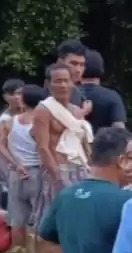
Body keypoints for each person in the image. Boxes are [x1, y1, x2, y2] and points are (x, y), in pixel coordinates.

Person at [0, 84, 47, 253]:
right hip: (37, 172)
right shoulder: (41, 123)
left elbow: (1, 145)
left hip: (16, 173)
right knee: (39, 215)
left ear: (24, 101)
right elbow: (44, 148)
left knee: (17, 216)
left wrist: (17, 164)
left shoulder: (11, 121)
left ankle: (19, 252)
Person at [33, 63, 93, 201]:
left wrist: (92, 167)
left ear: (72, 82)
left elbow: (84, 143)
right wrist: (57, 177)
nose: (63, 85)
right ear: (48, 84)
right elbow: (42, 147)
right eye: (58, 81)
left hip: (80, 168)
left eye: (66, 80)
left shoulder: (75, 110)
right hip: (58, 170)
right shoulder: (43, 110)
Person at [79, 50, 126, 132]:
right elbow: (119, 129)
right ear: (102, 70)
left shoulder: (68, 94)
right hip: (101, 140)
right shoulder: (112, 96)